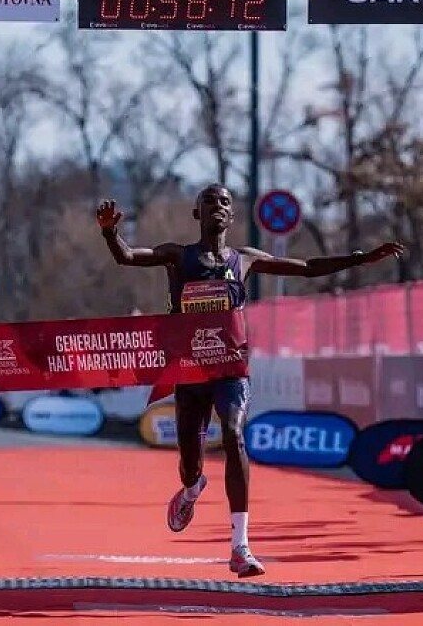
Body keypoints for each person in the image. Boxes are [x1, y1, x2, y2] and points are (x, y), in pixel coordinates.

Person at [97, 184, 404, 577]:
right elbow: (127, 257)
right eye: (209, 202)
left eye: (225, 202)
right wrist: (110, 232)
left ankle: (240, 545)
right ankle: (192, 488)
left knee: (234, 434)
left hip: (231, 370)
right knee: (189, 463)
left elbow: (307, 267)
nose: (217, 206)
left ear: (232, 215)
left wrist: (360, 258)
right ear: (197, 214)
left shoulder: (244, 259)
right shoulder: (178, 256)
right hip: (189, 371)